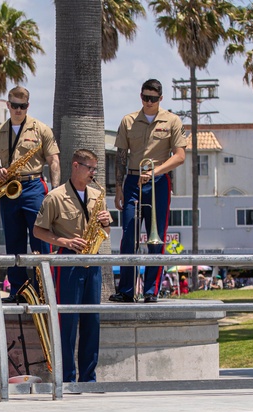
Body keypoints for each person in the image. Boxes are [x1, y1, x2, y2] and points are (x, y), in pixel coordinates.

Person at [32, 149, 112, 383]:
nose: (93, 173)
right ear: (76, 165)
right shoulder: (55, 196)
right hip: (67, 261)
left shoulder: (98, 195)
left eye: (95, 169)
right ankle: (66, 378)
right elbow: (38, 230)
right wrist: (64, 241)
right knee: (66, 323)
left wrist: (106, 224)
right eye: (90, 168)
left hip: (92, 262)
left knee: (92, 321)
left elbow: (104, 232)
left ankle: (89, 378)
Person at [111, 79, 186, 303]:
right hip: (133, 182)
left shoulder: (172, 121)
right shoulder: (129, 120)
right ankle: (125, 290)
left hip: (159, 181)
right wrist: (118, 188)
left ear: (161, 98)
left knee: (156, 239)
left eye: (153, 98)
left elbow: (180, 156)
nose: (148, 102)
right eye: (145, 97)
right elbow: (121, 157)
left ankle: (151, 291)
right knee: (128, 235)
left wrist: (156, 171)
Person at [0, 86, 60, 301]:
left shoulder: (41, 129)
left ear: (28, 106)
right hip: (8, 188)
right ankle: (18, 291)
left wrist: (54, 191)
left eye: (23, 106)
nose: (19, 110)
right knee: (13, 242)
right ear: (8, 105)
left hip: (34, 185)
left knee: (41, 240)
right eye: (15, 105)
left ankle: (44, 290)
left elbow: (53, 159)